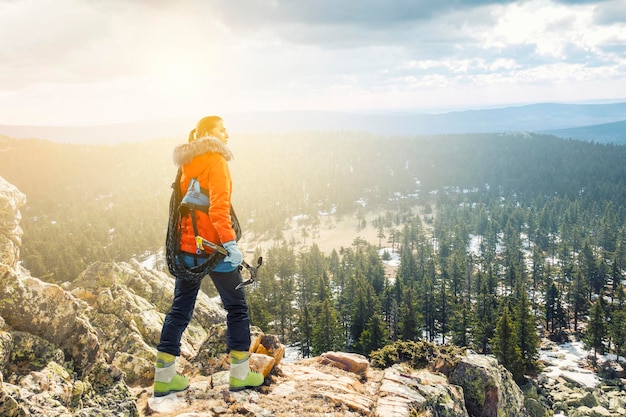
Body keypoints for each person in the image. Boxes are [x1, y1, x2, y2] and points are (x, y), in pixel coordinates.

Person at [153, 116, 264, 396]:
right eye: (220, 128)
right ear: (205, 134)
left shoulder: (187, 163)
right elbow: (218, 210)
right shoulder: (217, 160)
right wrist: (231, 244)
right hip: (215, 250)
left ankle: (164, 377)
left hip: (188, 249)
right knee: (236, 309)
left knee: (180, 310)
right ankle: (240, 375)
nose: (227, 132)